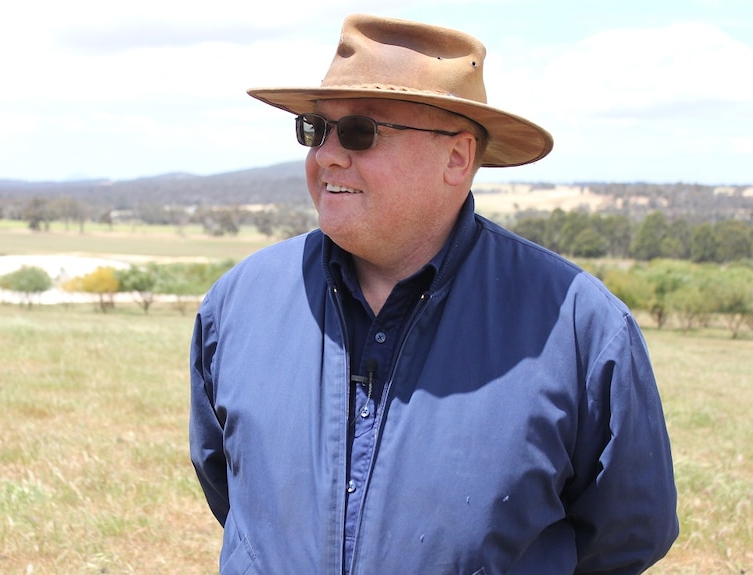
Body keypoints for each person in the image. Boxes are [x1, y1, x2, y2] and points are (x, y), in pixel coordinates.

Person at [189, 13, 678, 575]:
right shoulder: (237, 304)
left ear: (457, 158)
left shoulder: (579, 327)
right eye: (315, 130)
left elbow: (628, 536)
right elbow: (236, 498)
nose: (326, 155)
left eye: (360, 132)